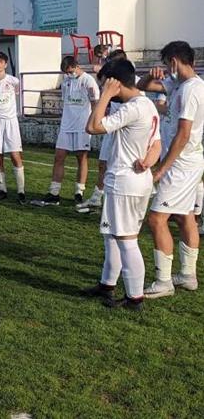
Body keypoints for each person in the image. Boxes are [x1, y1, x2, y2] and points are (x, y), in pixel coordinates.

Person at [83, 59, 161, 310]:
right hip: (131, 181)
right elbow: (157, 143)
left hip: (125, 183)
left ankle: (134, 297)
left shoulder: (133, 108)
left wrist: (104, 96)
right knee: (112, 236)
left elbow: (92, 127)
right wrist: (149, 159)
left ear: (114, 82)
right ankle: (107, 284)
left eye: (106, 82)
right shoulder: (145, 104)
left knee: (126, 239)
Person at [137, 41, 204, 298]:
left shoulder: (191, 90)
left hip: (181, 164)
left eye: (166, 64)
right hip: (188, 163)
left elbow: (183, 134)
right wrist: (149, 76)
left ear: (174, 61)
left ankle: (164, 281)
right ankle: (188, 276)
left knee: (156, 218)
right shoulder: (179, 85)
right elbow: (143, 87)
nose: (166, 68)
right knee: (185, 216)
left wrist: (163, 168)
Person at [35, 56, 99, 206]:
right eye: (66, 72)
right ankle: (54, 192)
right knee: (59, 157)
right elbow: (66, 102)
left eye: (70, 71)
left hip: (82, 126)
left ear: (76, 66)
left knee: (81, 158)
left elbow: (95, 103)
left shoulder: (88, 81)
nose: (68, 74)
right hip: (66, 126)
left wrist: (93, 123)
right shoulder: (65, 82)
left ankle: (79, 192)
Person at [77, 49, 129, 213]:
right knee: (103, 164)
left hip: (125, 133)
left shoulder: (133, 84)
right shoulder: (112, 84)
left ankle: (119, 202)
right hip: (110, 128)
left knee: (122, 167)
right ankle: (96, 198)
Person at [0, 52, 25, 203]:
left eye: (1, 61)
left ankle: (21, 191)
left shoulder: (14, 81)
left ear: (6, 64)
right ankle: (2, 189)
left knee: (15, 155)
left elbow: (20, 96)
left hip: (11, 122)